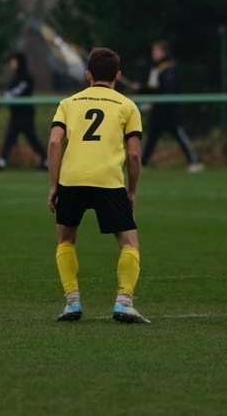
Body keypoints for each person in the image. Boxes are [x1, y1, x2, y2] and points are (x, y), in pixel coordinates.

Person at [47, 46, 150, 324]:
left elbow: (55, 142)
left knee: (66, 240)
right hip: (108, 181)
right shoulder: (127, 106)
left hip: (72, 180)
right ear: (118, 75)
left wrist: (54, 185)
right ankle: (124, 302)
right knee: (129, 243)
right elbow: (134, 154)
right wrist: (131, 191)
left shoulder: (68, 103)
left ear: (88, 74)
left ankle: (72, 301)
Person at [133, 40, 204, 172]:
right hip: (158, 112)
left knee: (180, 135)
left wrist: (150, 98)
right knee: (152, 138)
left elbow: (166, 90)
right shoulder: (156, 68)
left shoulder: (169, 68)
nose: (153, 54)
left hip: (170, 111)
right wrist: (141, 88)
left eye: (156, 51)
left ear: (163, 52)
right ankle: (143, 163)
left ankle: (195, 161)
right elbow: (153, 88)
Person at [0, 52, 48, 170]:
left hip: (25, 114)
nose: (11, 64)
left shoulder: (26, 77)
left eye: (14, 61)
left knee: (31, 138)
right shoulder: (16, 77)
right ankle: (1, 162)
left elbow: (17, 92)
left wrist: (1, 96)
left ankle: (45, 160)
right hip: (16, 113)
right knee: (10, 138)